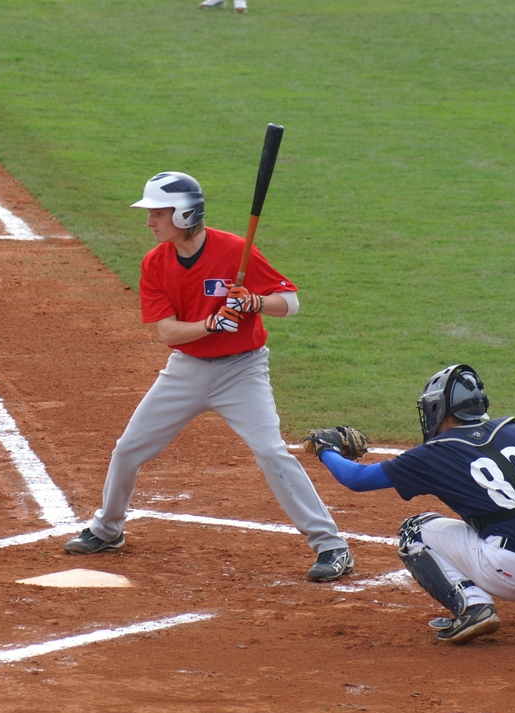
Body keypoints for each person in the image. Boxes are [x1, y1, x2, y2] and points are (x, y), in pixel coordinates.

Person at [63, 171, 354, 582]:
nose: (149, 222)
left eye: (157, 213)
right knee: (128, 448)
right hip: (186, 371)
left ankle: (332, 546)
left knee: (271, 451)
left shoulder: (234, 251)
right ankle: (108, 530)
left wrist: (255, 302)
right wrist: (210, 324)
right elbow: (168, 332)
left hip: (243, 371)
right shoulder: (155, 263)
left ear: (183, 214)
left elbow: (290, 302)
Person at [305, 364, 515, 644]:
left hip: (510, 575)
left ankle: (473, 606)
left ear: (439, 409)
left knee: (414, 531)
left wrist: (327, 448)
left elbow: (356, 478)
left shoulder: (434, 454)